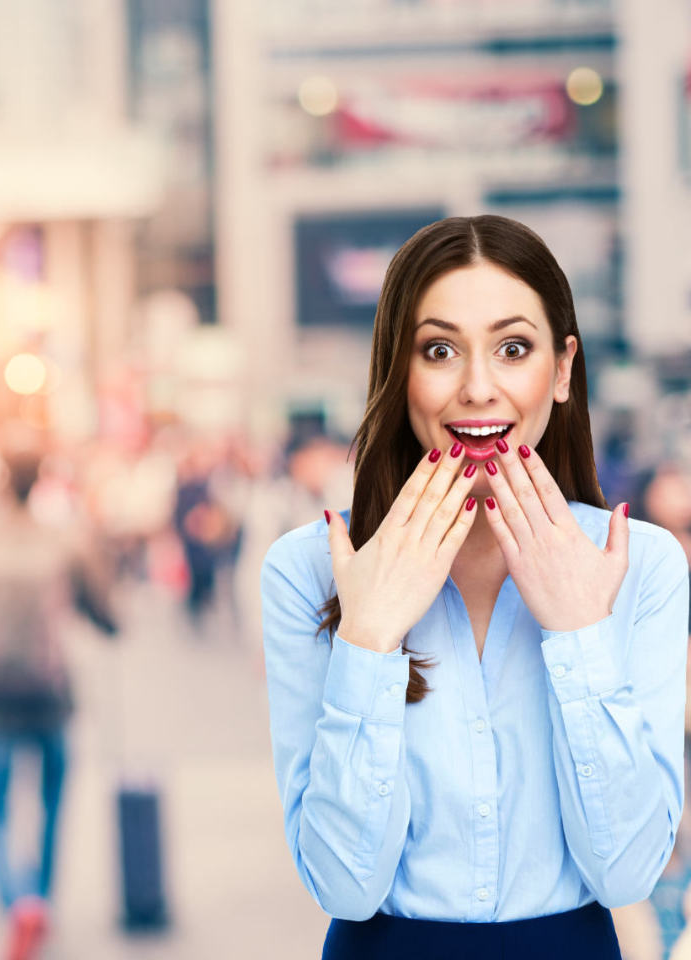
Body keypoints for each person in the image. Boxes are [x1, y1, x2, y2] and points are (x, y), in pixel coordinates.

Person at [262, 214, 689, 959]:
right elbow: (342, 886)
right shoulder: (308, 569)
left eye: (513, 348)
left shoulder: (639, 565)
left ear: (560, 370)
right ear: (398, 373)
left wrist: (580, 633)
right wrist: (369, 638)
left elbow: (627, 873)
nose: (478, 387)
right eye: (439, 350)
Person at [0, 447, 117, 960]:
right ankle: (41, 900)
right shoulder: (65, 540)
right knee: (51, 804)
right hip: (52, 693)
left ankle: (16, 904)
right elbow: (106, 614)